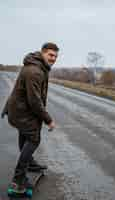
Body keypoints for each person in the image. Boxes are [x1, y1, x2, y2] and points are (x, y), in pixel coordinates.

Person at [1, 42, 59, 191]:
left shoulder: (38, 66)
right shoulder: (35, 71)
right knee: (33, 139)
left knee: (26, 136)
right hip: (22, 112)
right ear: (43, 53)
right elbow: (35, 100)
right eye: (51, 55)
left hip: (20, 110)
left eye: (56, 56)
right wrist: (49, 120)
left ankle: (30, 164)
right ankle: (18, 179)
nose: (53, 58)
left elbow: (25, 93)